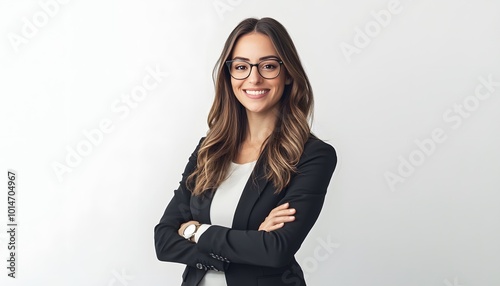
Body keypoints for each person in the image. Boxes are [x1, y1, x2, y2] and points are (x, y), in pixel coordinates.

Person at [154, 17, 337, 286]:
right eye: (241, 66)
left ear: (287, 74)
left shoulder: (311, 156)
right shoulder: (209, 150)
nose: (254, 77)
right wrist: (250, 241)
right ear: (229, 76)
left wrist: (195, 230)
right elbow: (164, 241)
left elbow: (275, 250)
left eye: (268, 66)